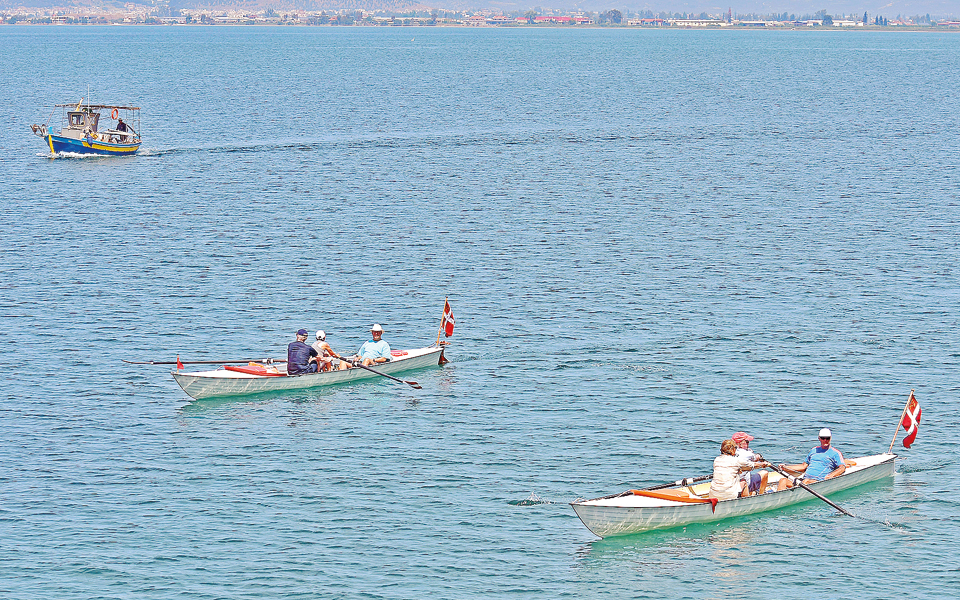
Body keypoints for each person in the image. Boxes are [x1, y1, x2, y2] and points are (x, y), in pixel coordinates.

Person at [776, 428, 846, 491]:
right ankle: (778, 499)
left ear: (830, 438)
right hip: (803, 481)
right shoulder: (814, 450)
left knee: (806, 481)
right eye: (823, 438)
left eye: (827, 438)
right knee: (783, 480)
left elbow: (842, 467)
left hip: (818, 482)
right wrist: (785, 467)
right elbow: (803, 466)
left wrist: (831, 476)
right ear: (819, 438)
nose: (825, 440)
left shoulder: (835, 453)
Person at [732, 431, 769, 496]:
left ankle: (751, 492)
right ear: (740, 444)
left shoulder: (729, 452)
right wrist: (760, 457)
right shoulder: (748, 453)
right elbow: (756, 457)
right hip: (744, 484)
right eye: (746, 442)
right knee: (764, 473)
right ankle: (761, 494)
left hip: (732, 484)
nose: (748, 443)